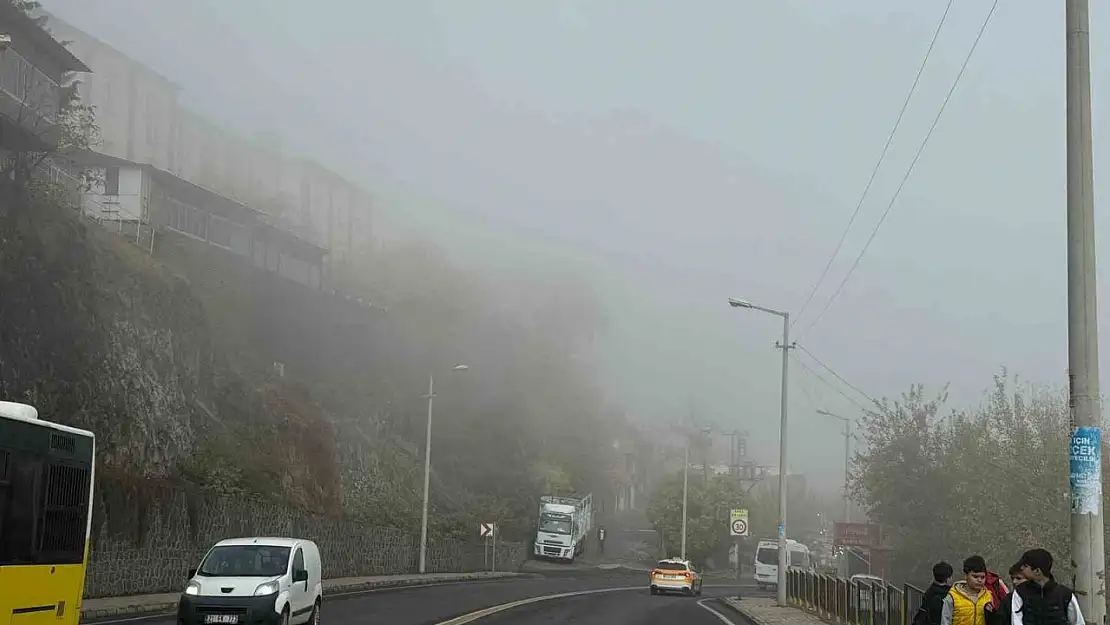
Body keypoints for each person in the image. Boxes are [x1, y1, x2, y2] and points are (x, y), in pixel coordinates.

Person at [1013, 548, 1084, 625]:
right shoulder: (1020, 592)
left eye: (1025, 566)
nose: (1022, 568)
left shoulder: (1065, 594)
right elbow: (1016, 621)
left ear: (1037, 571)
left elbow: (1078, 622)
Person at [942, 556, 994, 625]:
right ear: (966, 576)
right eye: (975, 576)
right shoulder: (953, 597)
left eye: (982, 577)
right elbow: (945, 621)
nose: (979, 580)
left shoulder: (988, 596)